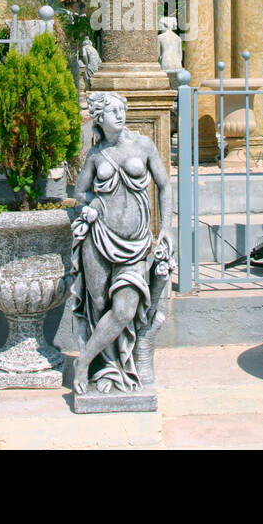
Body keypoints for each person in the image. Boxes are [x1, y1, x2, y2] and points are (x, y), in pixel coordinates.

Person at [70, 92, 173, 395]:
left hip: (135, 242)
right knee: (100, 305)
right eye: (112, 110)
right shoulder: (95, 156)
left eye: (122, 109)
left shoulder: (143, 145)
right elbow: (79, 193)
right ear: (99, 118)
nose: (120, 114)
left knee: (124, 309)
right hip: (99, 239)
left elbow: (165, 185)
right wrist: (93, 205)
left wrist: (166, 227)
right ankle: (109, 368)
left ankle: (83, 362)